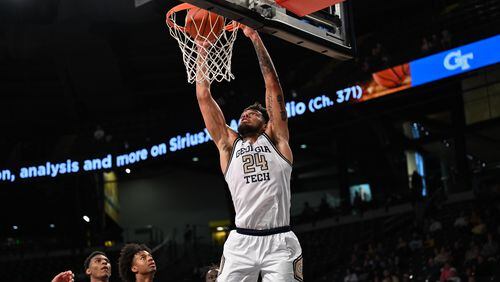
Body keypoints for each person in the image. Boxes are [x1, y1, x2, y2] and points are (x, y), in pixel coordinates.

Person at [195, 25, 303, 281]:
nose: (246, 115)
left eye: (253, 113)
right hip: (241, 240)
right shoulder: (229, 145)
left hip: (280, 241)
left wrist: (254, 37)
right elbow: (203, 95)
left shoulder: (277, 140)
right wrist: (201, 50)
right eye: (243, 114)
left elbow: (272, 85)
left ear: (266, 123)